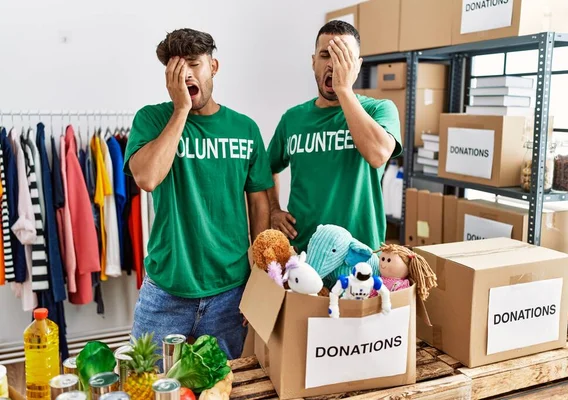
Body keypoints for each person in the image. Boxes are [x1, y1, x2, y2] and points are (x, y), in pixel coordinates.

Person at [123, 28, 273, 361]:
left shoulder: (245, 128)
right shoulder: (152, 119)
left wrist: (260, 278)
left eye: (194, 63)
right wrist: (180, 111)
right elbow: (146, 178)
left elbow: (259, 202)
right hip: (165, 291)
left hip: (230, 290)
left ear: (214, 66)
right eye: (177, 68)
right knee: (147, 384)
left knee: (218, 387)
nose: (187, 74)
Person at [266, 20, 402, 254]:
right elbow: (266, 169)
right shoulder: (292, 118)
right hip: (302, 253)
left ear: (357, 66)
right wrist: (274, 210)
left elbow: (378, 155)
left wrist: (344, 90)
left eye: (343, 56)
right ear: (313, 62)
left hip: (360, 254)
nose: (333, 64)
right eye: (325, 55)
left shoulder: (380, 110)